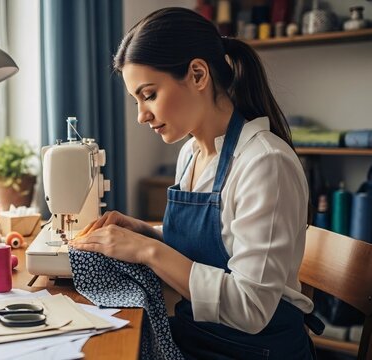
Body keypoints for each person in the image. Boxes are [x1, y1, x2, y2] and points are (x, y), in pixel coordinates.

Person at [69, 7, 322, 359]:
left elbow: (250, 308)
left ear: (198, 74)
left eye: (149, 95)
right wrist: (145, 232)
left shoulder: (265, 163)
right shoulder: (191, 153)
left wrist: (147, 251)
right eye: (136, 100)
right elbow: (215, 249)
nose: (141, 115)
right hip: (199, 339)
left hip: (253, 351)